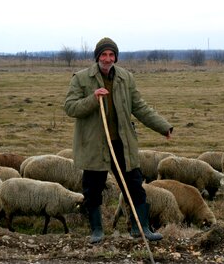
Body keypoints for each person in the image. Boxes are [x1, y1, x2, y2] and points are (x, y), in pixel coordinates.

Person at [64, 37, 173, 244]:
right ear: (97, 57)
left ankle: (140, 228)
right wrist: (93, 99)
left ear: (116, 57)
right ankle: (96, 230)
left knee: (134, 186)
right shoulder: (81, 78)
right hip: (95, 145)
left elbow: (139, 106)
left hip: (122, 143)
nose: (107, 58)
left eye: (111, 54)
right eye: (103, 55)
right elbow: (70, 107)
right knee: (93, 189)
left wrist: (163, 126)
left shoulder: (125, 78)